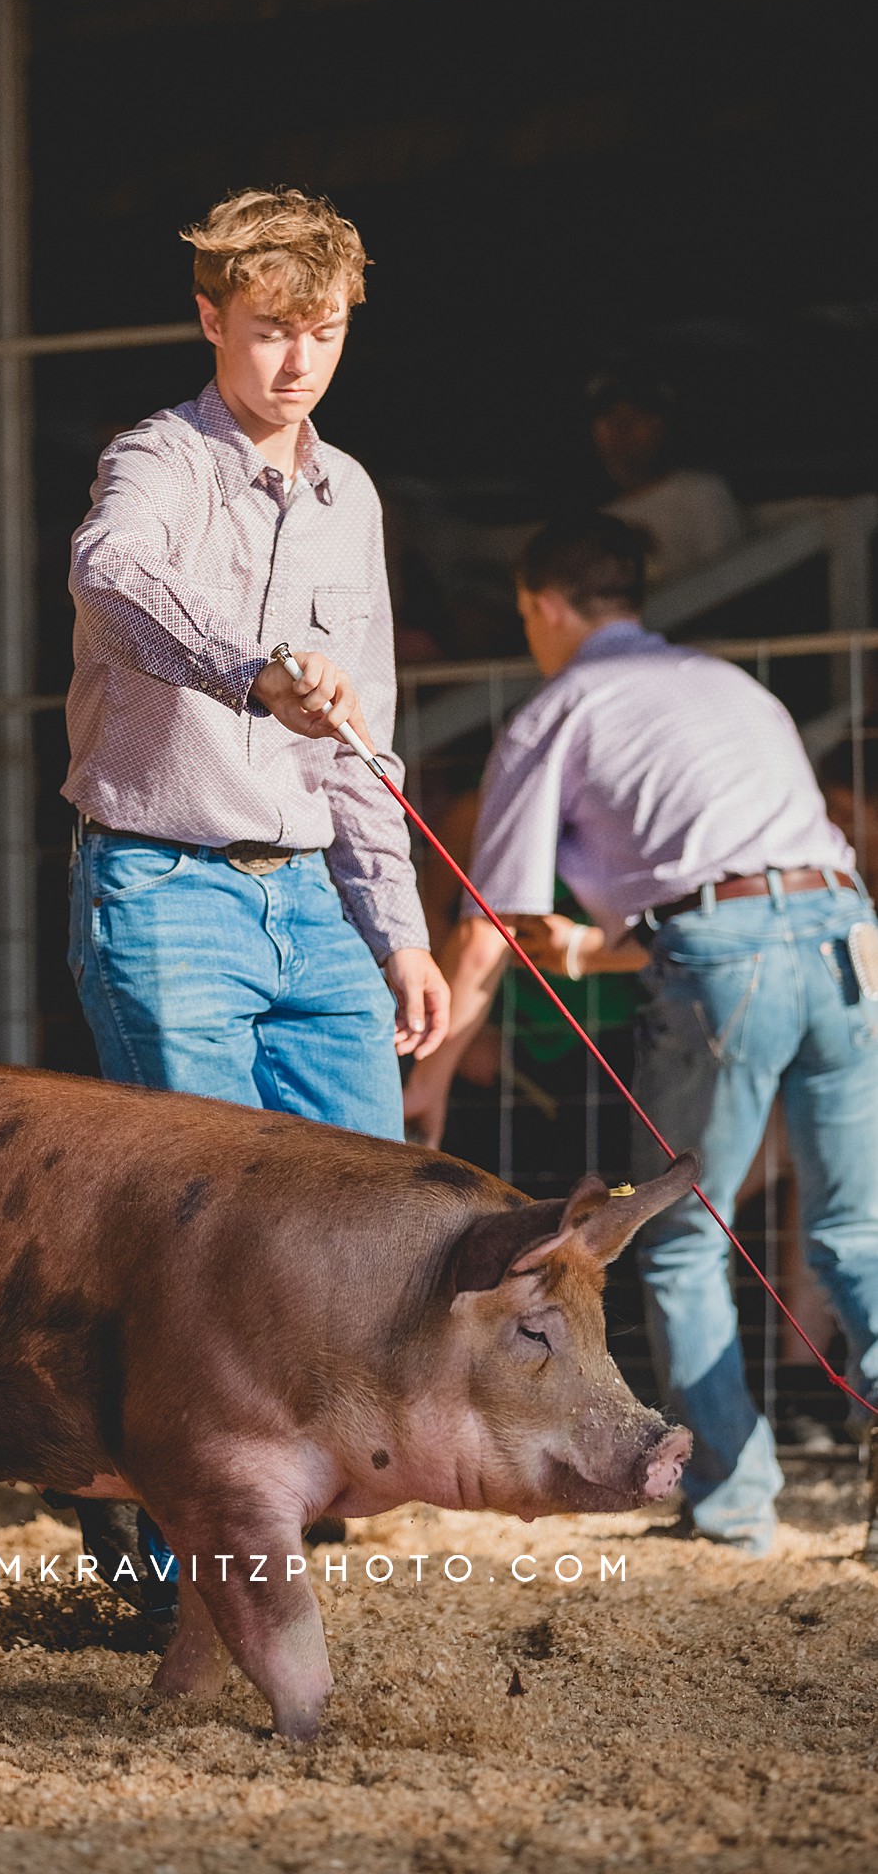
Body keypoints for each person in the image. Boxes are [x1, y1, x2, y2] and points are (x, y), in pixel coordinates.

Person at [403, 515, 878, 1563]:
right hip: (846, 934)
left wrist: (431, 1075)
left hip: (724, 961)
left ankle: (734, 1498)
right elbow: (746, 875)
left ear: (542, 606)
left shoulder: (558, 707)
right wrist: (610, 938)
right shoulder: (732, 688)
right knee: (854, 1232)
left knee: (682, 1240)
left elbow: (491, 919)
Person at [64, 186, 448, 1139]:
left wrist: (397, 931)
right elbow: (105, 570)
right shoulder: (159, 457)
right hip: (162, 888)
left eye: (324, 333)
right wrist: (254, 673)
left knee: (373, 1202)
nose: (299, 362)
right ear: (210, 319)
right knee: (207, 1221)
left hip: (314, 902)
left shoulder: (349, 494)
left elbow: (364, 747)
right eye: (273, 330)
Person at [588, 367, 744, 582]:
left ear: (662, 426)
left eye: (637, 414)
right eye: (609, 417)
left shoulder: (702, 494)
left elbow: (731, 583)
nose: (621, 428)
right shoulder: (592, 524)